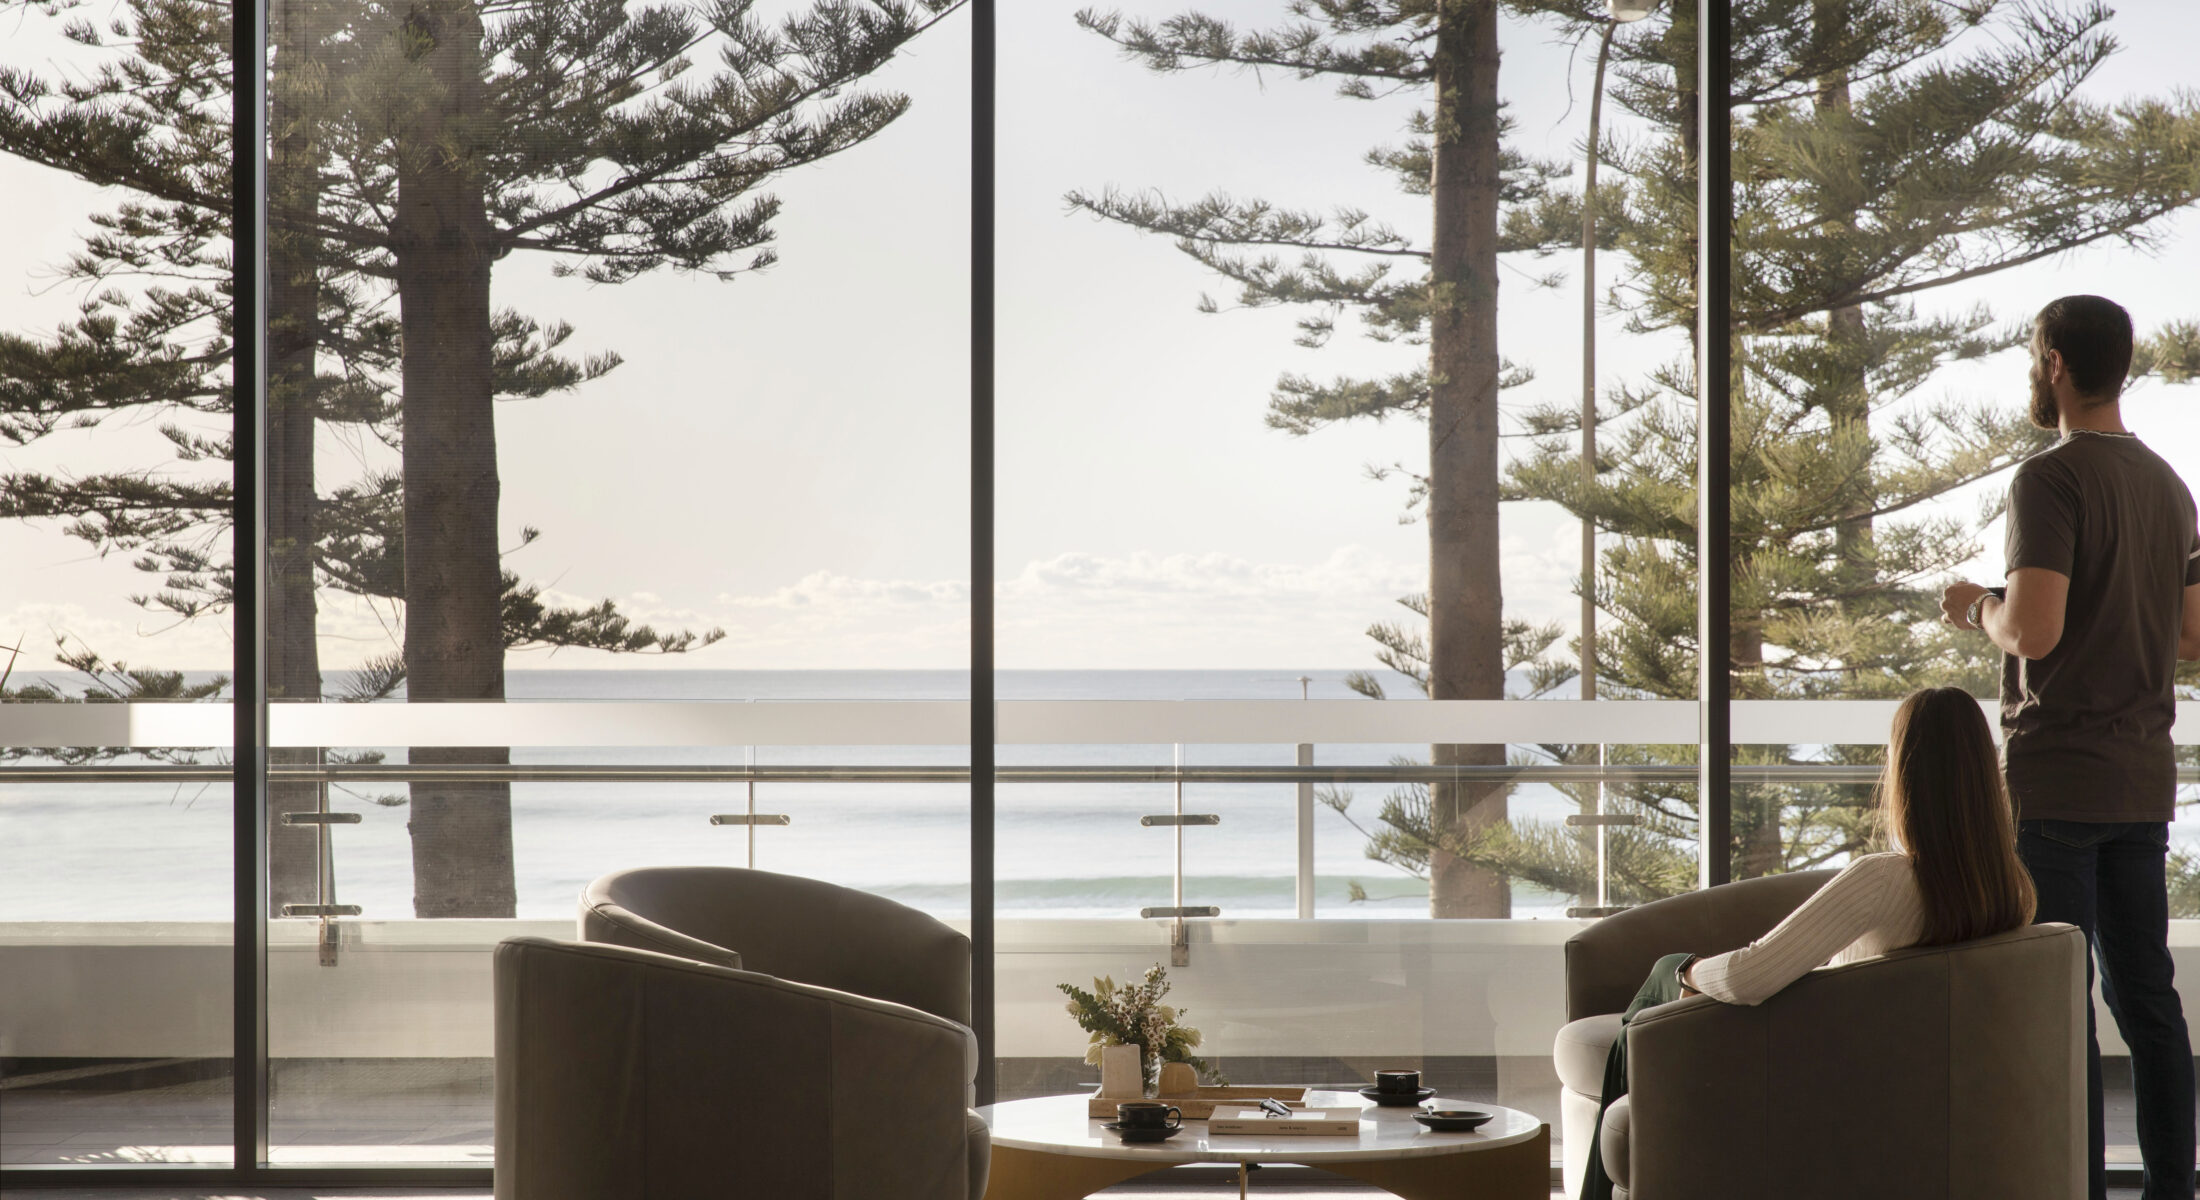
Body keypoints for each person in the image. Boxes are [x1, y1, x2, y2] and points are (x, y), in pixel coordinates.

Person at [1579, 686, 2036, 1200]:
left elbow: (1747, 976)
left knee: (1652, 996)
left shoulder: (1884, 880)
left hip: (1823, 1072)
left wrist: (1686, 972)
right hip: (1916, 1081)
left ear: (1905, 773)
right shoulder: (2009, 886)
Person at [1942, 293, 2200, 1200]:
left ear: (2054, 364)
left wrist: (1976, 605)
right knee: (2150, 1005)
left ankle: (2073, 1190)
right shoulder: (2172, 486)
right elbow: (2194, 635)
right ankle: (2175, 1190)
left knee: (2059, 1012)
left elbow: (2034, 631)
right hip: (2141, 781)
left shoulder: (2047, 481)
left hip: (2054, 785)